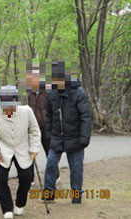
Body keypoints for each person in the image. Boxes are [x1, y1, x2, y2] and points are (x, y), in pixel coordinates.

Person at [0, 85, 41, 219]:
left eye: (11, 105)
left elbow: (34, 130)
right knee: (1, 180)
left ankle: (20, 203)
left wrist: (34, 148)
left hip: (22, 148)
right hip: (3, 149)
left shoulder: (26, 111)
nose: (8, 109)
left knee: (26, 178)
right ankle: (7, 209)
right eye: (5, 106)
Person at [43, 61, 91, 204]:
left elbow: (86, 117)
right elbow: (49, 116)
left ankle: (76, 195)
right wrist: (49, 134)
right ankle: (49, 193)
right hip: (57, 136)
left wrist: (84, 138)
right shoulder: (52, 93)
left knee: (76, 168)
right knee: (51, 164)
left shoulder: (79, 93)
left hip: (75, 137)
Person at [26, 61, 60, 184]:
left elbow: (54, 109)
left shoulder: (48, 91)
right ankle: (29, 178)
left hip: (45, 126)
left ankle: (55, 175)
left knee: (50, 152)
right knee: (29, 153)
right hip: (30, 128)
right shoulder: (28, 93)